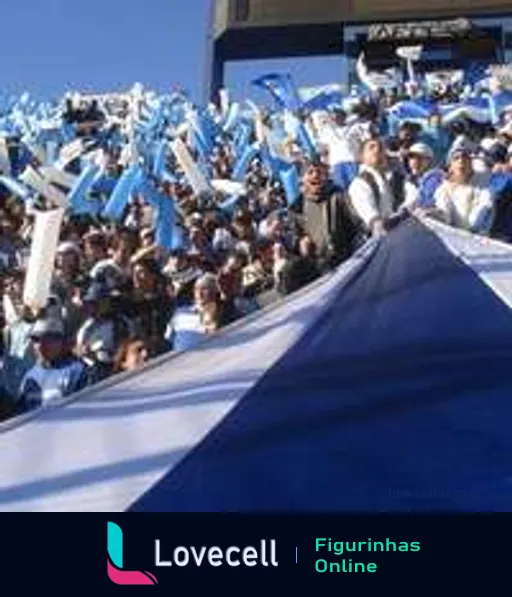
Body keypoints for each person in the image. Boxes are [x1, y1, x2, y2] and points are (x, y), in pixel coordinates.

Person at [16, 318, 89, 414]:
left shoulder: (77, 372)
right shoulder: (29, 376)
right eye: (36, 340)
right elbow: (20, 414)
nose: (40, 345)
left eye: (46, 339)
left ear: (60, 342)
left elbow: (84, 412)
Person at [348, 136, 409, 238]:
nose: (377, 149)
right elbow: (372, 218)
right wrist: (380, 223)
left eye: (381, 147)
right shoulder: (359, 183)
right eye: (371, 147)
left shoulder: (394, 178)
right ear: (362, 157)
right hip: (378, 240)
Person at [433, 147, 494, 234]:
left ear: (471, 165)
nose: (461, 160)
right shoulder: (443, 189)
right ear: (451, 166)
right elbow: (444, 214)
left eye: (465, 157)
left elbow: (481, 215)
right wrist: (434, 214)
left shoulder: (485, 188)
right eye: (456, 158)